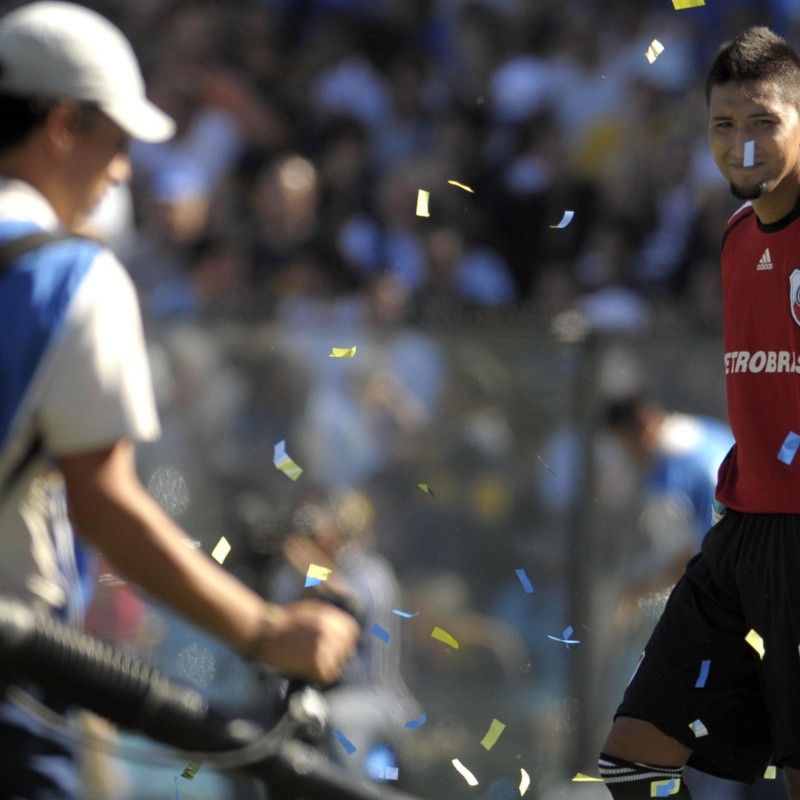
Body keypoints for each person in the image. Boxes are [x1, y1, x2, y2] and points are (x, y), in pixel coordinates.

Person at [0, 4, 359, 798]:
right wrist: (265, 632)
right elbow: (107, 505)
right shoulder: (70, 277)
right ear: (62, 125)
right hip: (13, 683)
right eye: (118, 142)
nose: (124, 170)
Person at [599, 26, 800, 800]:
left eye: (762, 123)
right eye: (723, 125)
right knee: (634, 757)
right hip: (739, 539)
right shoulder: (734, 236)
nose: (740, 146)